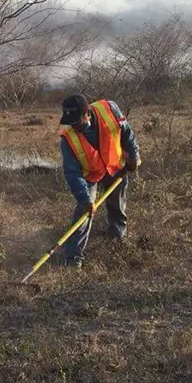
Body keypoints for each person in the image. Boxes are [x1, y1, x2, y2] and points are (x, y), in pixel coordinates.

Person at [59, 94, 141, 267]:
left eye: (77, 121)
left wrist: (134, 156)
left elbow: (127, 134)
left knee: (117, 205)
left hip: (115, 167)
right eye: (70, 122)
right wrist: (85, 199)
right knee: (84, 212)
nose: (74, 126)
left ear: (86, 114)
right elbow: (72, 173)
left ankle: (116, 239)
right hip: (90, 174)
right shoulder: (68, 139)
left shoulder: (109, 110)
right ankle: (73, 258)